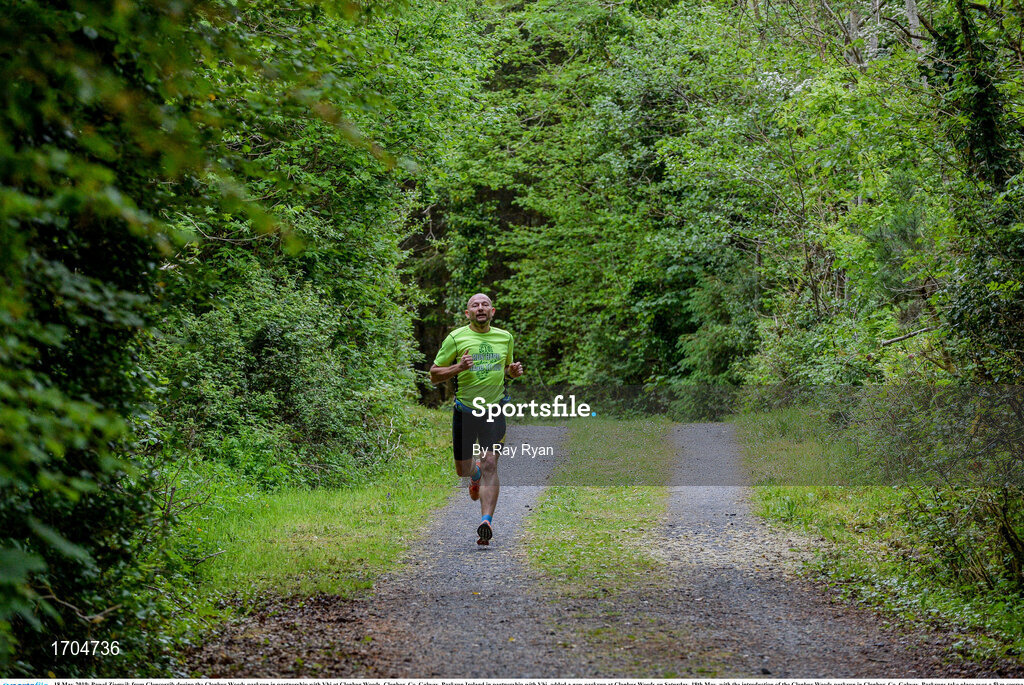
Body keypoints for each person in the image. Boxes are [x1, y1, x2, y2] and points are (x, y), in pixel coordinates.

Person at [430, 293, 524, 545]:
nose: (480, 308)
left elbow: (505, 368)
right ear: (467, 313)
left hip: (493, 410)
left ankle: (486, 522)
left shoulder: (505, 337)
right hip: (465, 411)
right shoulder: (456, 338)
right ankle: (474, 474)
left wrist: (512, 372)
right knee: (463, 470)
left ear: (492, 312)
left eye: (485, 305)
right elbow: (434, 374)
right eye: (475, 305)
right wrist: (458, 368)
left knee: (491, 463)